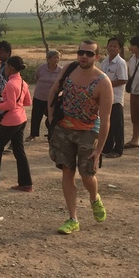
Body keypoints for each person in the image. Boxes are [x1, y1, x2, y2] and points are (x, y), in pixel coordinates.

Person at [47, 40, 113, 235]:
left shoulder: (103, 82)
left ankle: (94, 198)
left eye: (89, 54)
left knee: (87, 175)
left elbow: (107, 118)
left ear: (97, 57)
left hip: (88, 131)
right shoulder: (69, 69)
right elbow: (53, 91)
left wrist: (99, 149)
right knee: (67, 171)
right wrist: (51, 119)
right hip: (64, 129)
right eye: (81, 52)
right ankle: (72, 218)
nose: (84, 56)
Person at [0, 56, 32, 192]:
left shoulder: (10, 84)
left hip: (11, 120)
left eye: (6, 66)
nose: (4, 68)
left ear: (12, 67)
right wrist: (6, 101)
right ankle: (26, 183)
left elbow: (10, 104)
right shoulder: (23, 83)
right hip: (21, 119)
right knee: (19, 152)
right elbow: (27, 102)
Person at [99, 38, 128, 158]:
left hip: (115, 98)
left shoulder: (120, 63)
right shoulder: (105, 62)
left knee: (117, 124)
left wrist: (108, 85)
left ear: (119, 49)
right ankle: (107, 147)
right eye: (110, 46)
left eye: (115, 46)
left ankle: (118, 149)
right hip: (105, 98)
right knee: (106, 122)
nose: (112, 48)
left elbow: (123, 79)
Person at [28, 49, 61, 142]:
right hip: (39, 96)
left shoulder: (60, 70)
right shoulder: (42, 68)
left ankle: (51, 134)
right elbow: (36, 78)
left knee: (52, 117)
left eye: (58, 58)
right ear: (48, 59)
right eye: (54, 57)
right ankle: (33, 135)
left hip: (52, 98)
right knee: (36, 116)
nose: (56, 59)